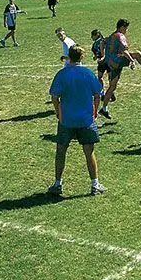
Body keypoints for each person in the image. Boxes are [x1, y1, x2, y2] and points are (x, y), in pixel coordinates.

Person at [47, 45, 105, 196]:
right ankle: (95, 184)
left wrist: (57, 112)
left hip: (66, 119)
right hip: (86, 119)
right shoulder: (88, 73)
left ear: (69, 57)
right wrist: (95, 111)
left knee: (61, 151)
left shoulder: (62, 74)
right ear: (82, 57)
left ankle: (57, 183)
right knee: (89, 152)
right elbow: (98, 94)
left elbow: (54, 96)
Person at [100, 18, 141, 119]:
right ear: (122, 27)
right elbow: (124, 51)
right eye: (126, 28)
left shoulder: (112, 35)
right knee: (137, 54)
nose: (126, 30)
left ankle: (104, 108)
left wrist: (103, 55)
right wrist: (132, 60)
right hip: (117, 61)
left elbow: (102, 42)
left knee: (112, 86)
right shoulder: (120, 36)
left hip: (110, 63)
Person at [90, 29, 112, 98]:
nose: (91, 37)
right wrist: (96, 57)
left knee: (106, 77)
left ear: (97, 35)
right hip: (103, 62)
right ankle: (104, 92)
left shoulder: (103, 41)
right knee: (101, 77)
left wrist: (103, 57)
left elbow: (105, 50)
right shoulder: (95, 44)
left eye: (92, 35)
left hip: (106, 61)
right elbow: (97, 53)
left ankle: (109, 92)